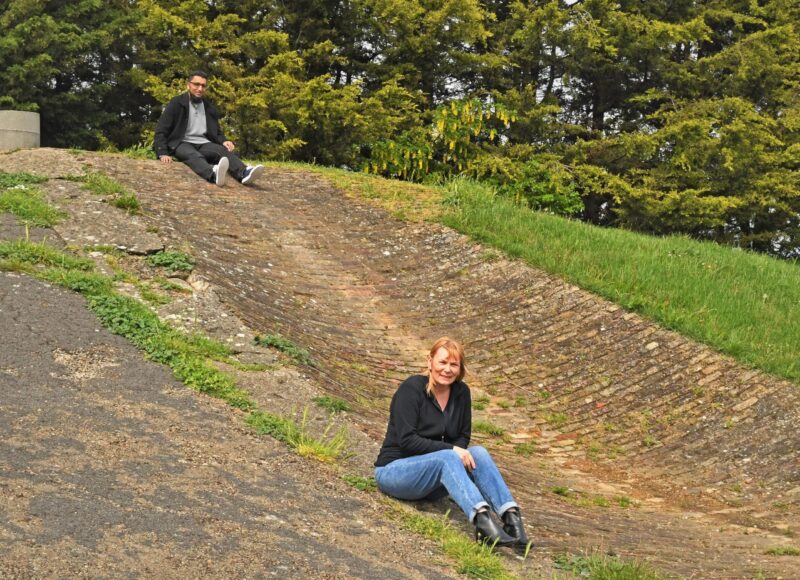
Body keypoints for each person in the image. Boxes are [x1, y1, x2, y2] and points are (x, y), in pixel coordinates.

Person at [374, 337, 531, 549]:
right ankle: (483, 522)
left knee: (479, 453)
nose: (447, 369)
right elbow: (407, 440)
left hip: (434, 480)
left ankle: (511, 519)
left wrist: (454, 450)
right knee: (448, 455)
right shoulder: (411, 389)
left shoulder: (461, 393)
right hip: (395, 472)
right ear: (430, 362)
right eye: (442, 362)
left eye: (453, 364)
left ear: (460, 368)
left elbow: (463, 436)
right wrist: (451, 450)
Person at [153, 70, 264, 187]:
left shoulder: (209, 107)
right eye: (196, 84)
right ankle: (213, 174)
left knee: (222, 151)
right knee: (193, 155)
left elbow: (217, 132)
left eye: (203, 86)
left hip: (203, 143)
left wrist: (224, 141)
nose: (200, 89)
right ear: (188, 85)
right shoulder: (177, 102)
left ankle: (244, 173)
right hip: (181, 143)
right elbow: (161, 129)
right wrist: (162, 152)